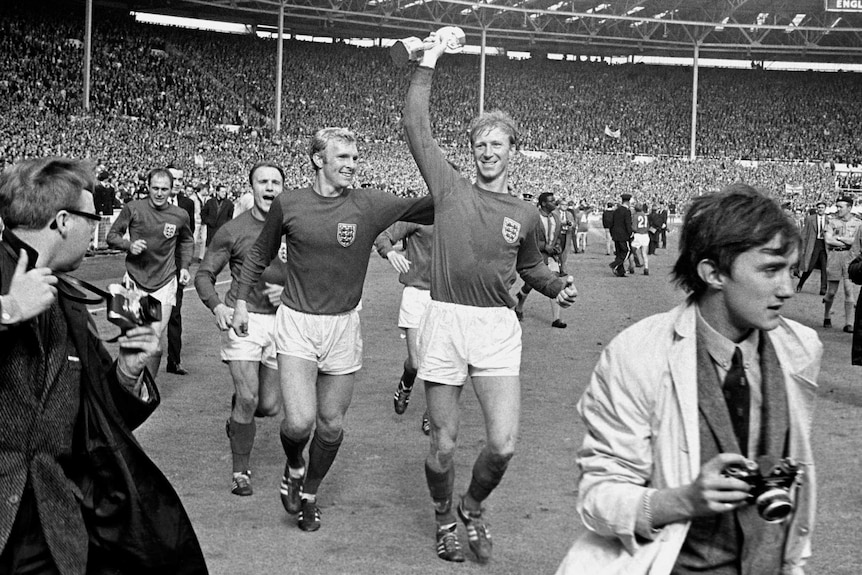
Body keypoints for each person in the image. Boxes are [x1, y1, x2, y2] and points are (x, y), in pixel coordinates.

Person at [556, 183, 820, 575]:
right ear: (712, 272)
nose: (786, 289)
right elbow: (597, 497)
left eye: (790, 270)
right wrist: (684, 501)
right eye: (770, 270)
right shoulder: (636, 354)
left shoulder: (801, 348)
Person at [403, 34, 578, 564]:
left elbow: (528, 265)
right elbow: (415, 126)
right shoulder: (450, 187)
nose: (487, 151)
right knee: (444, 444)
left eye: (497, 144)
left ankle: (472, 504)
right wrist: (429, 63)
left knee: (502, 444)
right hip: (446, 320)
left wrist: (554, 285)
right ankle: (442, 520)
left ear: (511, 152)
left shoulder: (524, 213)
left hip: (497, 327)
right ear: (471, 150)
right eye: (480, 144)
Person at [0, 157, 206, 574]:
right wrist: (6, 311)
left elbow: (95, 426)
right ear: (62, 221)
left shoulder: (68, 297)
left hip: (54, 523)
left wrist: (128, 374)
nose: (95, 229)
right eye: (91, 218)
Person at [231, 127, 433, 532]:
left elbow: (427, 207)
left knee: (331, 424)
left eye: (355, 158)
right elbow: (260, 253)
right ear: (318, 159)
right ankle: (293, 464)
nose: (351, 166)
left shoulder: (369, 204)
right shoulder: (290, 204)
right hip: (298, 323)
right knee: (298, 423)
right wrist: (238, 300)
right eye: (343, 157)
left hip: (343, 324)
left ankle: (309, 494)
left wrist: (450, 180)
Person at [195, 161, 288, 497]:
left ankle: (238, 415)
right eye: (262, 181)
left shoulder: (294, 227)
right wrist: (218, 306)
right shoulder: (233, 230)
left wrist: (290, 292)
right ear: (252, 187)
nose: (269, 187)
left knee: (268, 407)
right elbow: (203, 275)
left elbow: (316, 274)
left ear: (282, 188)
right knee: (249, 397)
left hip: (282, 323)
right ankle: (240, 473)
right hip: (243, 320)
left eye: (275, 182)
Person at [106, 168, 194, 376]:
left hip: (164, 282)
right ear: (148, 186)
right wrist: (129, 245)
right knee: (133, 340)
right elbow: (112, 236)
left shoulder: (179, 215)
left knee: (154, 342)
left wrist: (184, 267)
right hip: (134, 280)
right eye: (155, 188)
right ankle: (126, 385)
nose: (159, 193)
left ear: (172, 190)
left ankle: (147, 388)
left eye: (164, 189)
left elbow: (187, 240)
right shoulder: (133, 208)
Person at [374, 221, 435, 434]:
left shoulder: (460, 214)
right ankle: (406, 384)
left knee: (438, 362)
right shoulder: (418, 213)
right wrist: (390, 253)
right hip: (416, 293)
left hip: (446, 298)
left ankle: (432, 412)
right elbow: (383, 236)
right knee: (417, 362)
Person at [514, 191, 568, 328]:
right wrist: (545, 246)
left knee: (554, 281)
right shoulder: (533, 218)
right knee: (530, 285)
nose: (554, 202)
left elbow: (558, 237)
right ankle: (519, 304)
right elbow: (526, 238)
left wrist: (556, 248)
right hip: (535, 256)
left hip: (552, 257)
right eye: (551, 201)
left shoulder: (555, 218)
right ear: (543, 203)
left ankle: (556, 319)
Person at [166, 177, 197, 376]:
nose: (177, 182)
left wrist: (185, 265)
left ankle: (174, 361)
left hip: (176, 266)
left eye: (180, 179)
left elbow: (188, 236)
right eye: (173, 178)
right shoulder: (145, 204)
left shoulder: (187, 205)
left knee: (175, 313)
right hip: (151, 267)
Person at [823, 195, 862, 331]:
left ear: (849, 208)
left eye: (841, 207)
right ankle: (827, 315)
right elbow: (828, 240)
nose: (838, 209)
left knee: (848, 290)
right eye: (837, 206)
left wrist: (838, 237)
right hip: (835, 256)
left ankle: (849, 323)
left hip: (850, 257)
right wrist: (846, 239)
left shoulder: (858, 224)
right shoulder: (832, 222)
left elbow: (855, 242)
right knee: (831, 292)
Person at [797, 200, 828, 295]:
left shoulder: (829, 219)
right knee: (810, 267)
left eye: (822, 208)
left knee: (825, 268)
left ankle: (823, 289)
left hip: (825, 244)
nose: (820, 209)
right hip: (814, 243)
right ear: (817, 209)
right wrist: (803, 246)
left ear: (825, 209)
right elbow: (804, 232)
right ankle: (800, 283)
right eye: (819, 208)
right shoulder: (810, 219)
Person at [201, 184, 234, 249]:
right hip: (211, 230)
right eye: (222, 192)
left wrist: (225, 224)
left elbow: (230, 217)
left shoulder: (229, 204)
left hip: (222, 230)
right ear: (217, 192)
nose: (224, 193)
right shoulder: (210, 202)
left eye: (225, 192)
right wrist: (208, 221)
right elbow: (203, 214)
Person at [609, 193, 633, 277]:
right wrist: (631, 234)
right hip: (623, 235)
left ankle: (621, 271)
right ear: (628, 202)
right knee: (627, 251)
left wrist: (612, 234)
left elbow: (611, 224)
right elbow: (628, 224)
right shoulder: (627, 211)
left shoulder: (616, 211)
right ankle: (615, 264)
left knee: (619, 253)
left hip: (615, 235)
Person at [631, 202, 651, 276]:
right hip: (645, 235)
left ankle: (632, 267)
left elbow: (634, 228)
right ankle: (646, 268)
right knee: (644, 253)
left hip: (638, 235)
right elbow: (648, 226)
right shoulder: (645, 216)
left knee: (631, 251)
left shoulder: (635, 216)